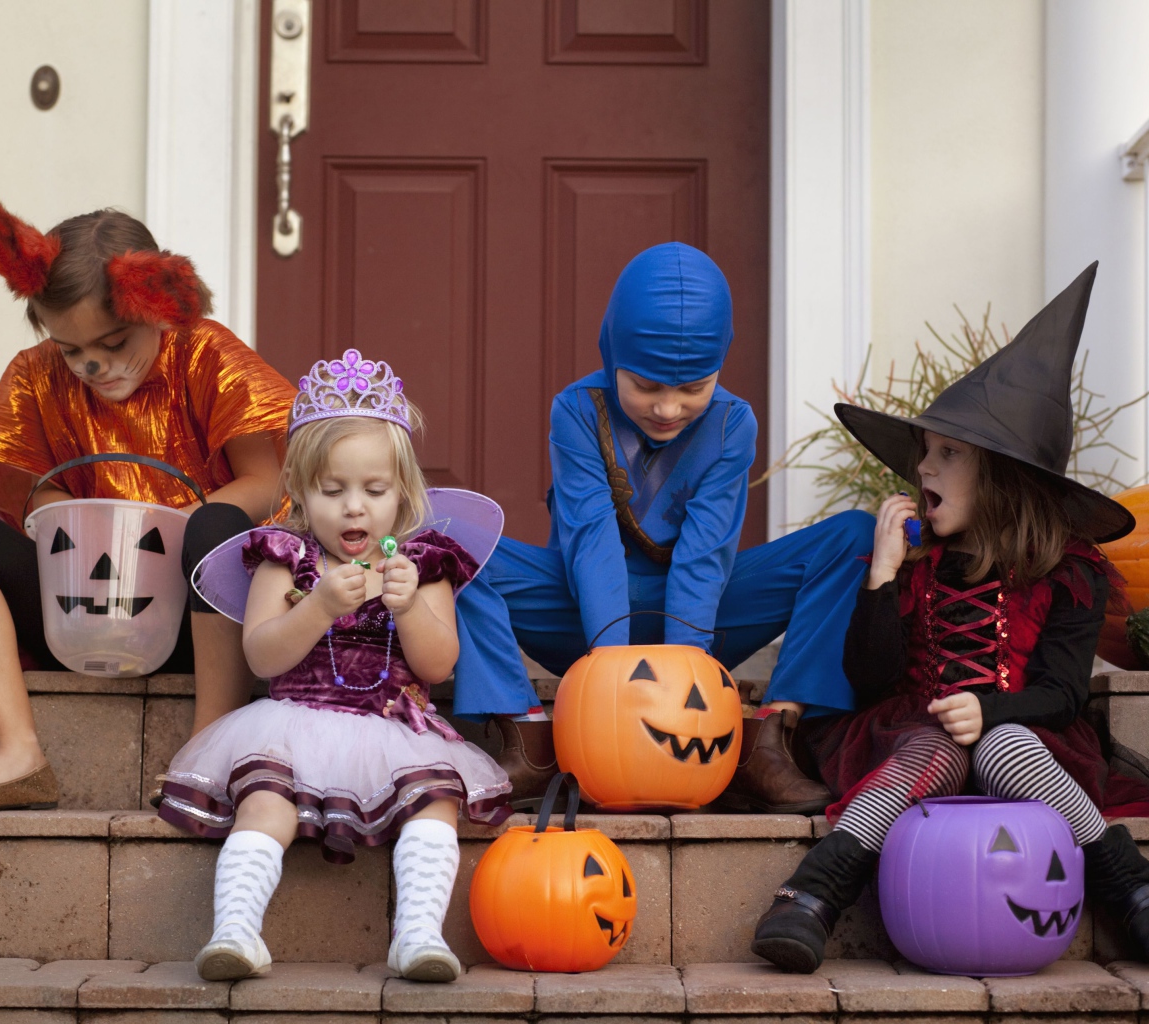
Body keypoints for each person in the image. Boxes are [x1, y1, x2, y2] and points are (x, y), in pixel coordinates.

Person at [752, 263, 1149, 974]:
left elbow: (1063, 693)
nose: (923, 469)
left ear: (1002, 475)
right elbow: (869, 677)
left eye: (948, 454)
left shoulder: (1070, 571)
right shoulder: (916, 566)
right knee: (938, 742)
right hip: (914, 737)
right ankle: (811, 893)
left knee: (1001, 745)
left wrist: (990, 711)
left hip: (1029, 740)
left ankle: (1131, 887)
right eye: (924, 453)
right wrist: (880, 578)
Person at [454, 242, 875, 809]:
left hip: (703, 623)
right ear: (613, 354)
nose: (669, 409)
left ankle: (767, 741)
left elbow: (706, 555)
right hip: (580, 618)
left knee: (852, 537)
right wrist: (611, 681)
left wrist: (685, 683)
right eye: (647, 386)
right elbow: (591, 539)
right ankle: (528, 739)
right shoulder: (577, 411)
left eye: (693, 388)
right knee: (452, 541)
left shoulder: (732, 423)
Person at [0, 196, 295, 811]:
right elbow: (34, 496)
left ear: (160, 308)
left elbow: (268, 480)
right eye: (71, 350)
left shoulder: (206, 355)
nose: (93, 364)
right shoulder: (37, 374)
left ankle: (209, 747)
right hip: (84, 610)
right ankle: (17, 754)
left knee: (217, 526)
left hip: (196, 619)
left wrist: (169, 529)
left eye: (114, 341)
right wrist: (83, 528)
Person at [156, 349, 512, 982]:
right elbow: (261, 654)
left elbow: (438, 664)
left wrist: (409, 608)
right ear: (298, 490)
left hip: (393, 730)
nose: (354, 508)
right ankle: (235, 931)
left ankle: (418, 935)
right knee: (264, 804)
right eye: (332, 490)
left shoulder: (421, 565)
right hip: (292, 722)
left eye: (374, 491)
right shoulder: (286, 561)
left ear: (403, 494)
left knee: (434, 805)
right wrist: (317, 606)